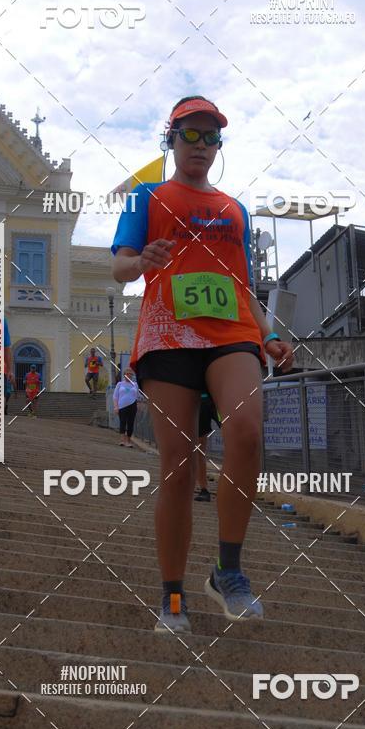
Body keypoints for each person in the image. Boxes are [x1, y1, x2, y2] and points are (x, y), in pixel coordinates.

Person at [112, 95, 293, 634]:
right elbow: (119, 266)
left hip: (232, 333)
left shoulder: (234, 209)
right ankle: (172, 595)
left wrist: (272, 333)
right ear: (170, 139)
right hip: (169, 335)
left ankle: (228, 572)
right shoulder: (146, 195)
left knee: (245, 432)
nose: (200, 145)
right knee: (177, 461)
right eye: (189, 134)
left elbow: (244, 286)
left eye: (210, 137)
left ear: (219, 146)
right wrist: (140, 261)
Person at [194, 392, 221, 502]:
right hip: (199, 400)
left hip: (220, 400)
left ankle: (238, 486)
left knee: (234, 438)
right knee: (199, 448)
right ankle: (204, 489)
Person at [113, 368, 141, 447]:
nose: (129, 375)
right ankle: (122, 440)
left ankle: (128, 441)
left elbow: (137, 396)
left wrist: (138, 404)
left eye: (131, 374)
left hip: (133, 405)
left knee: (130, 423)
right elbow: (115, 396)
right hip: (122, 406)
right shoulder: (120, 384)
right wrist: (116, 407)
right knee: (123, 422)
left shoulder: (135, 384)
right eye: (127, 374)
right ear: (124, 375)